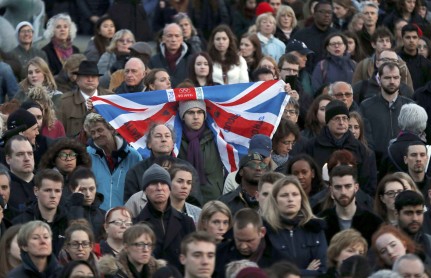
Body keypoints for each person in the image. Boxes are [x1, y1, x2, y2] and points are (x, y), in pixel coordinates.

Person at [302, 100, 377, 196]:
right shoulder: (311, 147)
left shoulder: (361, 149)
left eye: (345, 118)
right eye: (336, 118)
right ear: (328, 121)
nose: (341, 122)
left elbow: (368, 184)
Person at [133, 164, 195, 270]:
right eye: (153, 183)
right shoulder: (136, 224)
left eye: (163, 183)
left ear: (169, 188)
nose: (159, 188)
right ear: (145, 191)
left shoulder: (186, 222)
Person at [262, 176, 327, 276]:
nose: (290, 199)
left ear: (301, 198)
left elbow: (322, 271)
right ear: (275, 200)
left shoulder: (315, 228)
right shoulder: (266, 231)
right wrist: (306, 272)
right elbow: (266, 271)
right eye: (284, 195)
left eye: (295, 194)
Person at [12, 169, 79, 256]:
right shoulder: (20, 223)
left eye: (57, 191)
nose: (53, 196)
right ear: (36, 191)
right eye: (47, 190)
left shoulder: (71, 223)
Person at [84, 112, 142, 211]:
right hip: (95, 216)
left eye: (100, 130)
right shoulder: (86, 155)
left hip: (125, 217)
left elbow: (140, 191)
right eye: (92, 132)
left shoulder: (133, 156)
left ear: (111, 129)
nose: (96, 135)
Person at [360, 62, 414, 164]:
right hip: (376, 162)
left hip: (404, 162)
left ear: (400, 79)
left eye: (395, 77)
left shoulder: (410, 106)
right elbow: (365, 139)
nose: (392, 81)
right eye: (387, 78)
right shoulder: (366, 106)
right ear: (379, 80)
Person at [318, 165, 383, 245]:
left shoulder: (373, 223)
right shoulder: (320, 222)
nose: (343, 192)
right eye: (338, 187)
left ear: (356, 188)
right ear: (331, 191)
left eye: (348, 186)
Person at [177, 100, 225, 203]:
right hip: (185, 199)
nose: (196, 116)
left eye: (200, 112)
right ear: (183, 116)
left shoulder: (217, 137)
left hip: (213, 198)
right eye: (190, 112)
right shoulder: (175, 141)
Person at [214, 208, 283, 278]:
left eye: (249, 241)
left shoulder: (279, 261)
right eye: (239, 240)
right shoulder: (218, 254)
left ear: (262, 232)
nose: (243, 246)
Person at [59, 60, 111, 137]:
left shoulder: (110, 98)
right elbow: (59, 134)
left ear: (98, 80)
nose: (90, 79)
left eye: (93, 76)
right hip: (76, 146)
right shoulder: (64, 102)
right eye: (86, 76)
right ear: (77, 80)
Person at [99, 223, 167, 277]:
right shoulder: (113, 273)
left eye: (149, 245)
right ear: (126, 247)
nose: (146, 249)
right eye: (139, 244)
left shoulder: (159, 272)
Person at [291, 0, 336, 71]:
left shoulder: (336, 35)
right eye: (322, 11)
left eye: (329, 12)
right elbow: (291, 58)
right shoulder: (301, 35)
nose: (327, 15)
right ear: (314, 14)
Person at [66, 167, 106, 241]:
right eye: (83, 189)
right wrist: (76, 205)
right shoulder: (64, 211)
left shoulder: (104, 215)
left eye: (91, 189)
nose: (88, 194)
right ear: (72, 189)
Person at [149, 23, 193, 87]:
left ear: (182, 39)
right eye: (169, 36)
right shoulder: (153, 61)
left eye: (177, 36)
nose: (173, 40)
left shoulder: (191, 60)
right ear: (163, 39)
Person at [394, 190, 431, 263]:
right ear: (396, 214)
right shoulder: (386, 245)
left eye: (419, 213)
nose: (415, 218)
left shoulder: (429, 242)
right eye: (409, 213)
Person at [5, 135, 36, 214]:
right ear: (8, 159)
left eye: (30, 153)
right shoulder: (3, 187)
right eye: (20, 154)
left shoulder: (45, 182)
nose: (27, 158)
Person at [397, 24, 431, 90]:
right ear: (402, 38)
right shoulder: (395, 60)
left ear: (418, 39)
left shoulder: (427, 64)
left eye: (414, 37)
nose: (411, 40)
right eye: (408, 37)